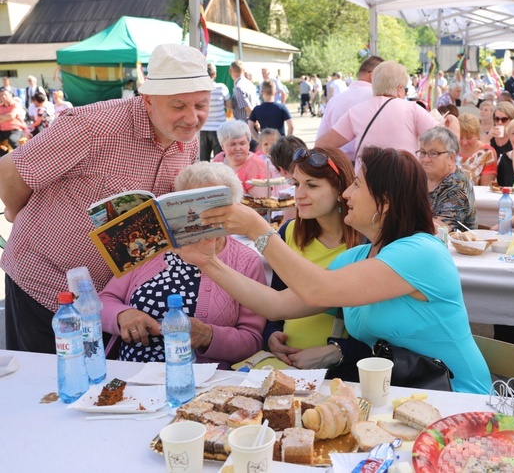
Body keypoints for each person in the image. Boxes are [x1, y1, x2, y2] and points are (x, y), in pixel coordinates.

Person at [180, 146, 492, 394]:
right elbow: (275, 304)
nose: (346, 194)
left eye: (356, 185)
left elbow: (318, 289)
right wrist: (208, 262)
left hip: (456, 396)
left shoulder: (421, 252)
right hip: (401, 395)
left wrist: (255, 228)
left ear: (384, 202)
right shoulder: (356, 258)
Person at [0, 43, 211, 354]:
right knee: (47, 390)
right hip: (45, 282)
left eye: (201, 105)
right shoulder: (93, 126)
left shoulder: (188, 143)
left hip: (112, 297)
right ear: (148, 100)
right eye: (179, 106)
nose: (193, 118)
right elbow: (9, 172)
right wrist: (18, 213)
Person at [99, 162, 267, 369]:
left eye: (211, 205)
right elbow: (104, 301)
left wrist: (209, 335)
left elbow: (252, 340)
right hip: (132, 373)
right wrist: (122, 315)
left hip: (202, 382)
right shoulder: (151, 245)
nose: (199, 214)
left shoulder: (246, 260)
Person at [263, 147, 371, 380]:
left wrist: (337, 352)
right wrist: (272, 335)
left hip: (342, 375)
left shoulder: (367, 242)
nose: (299, 194)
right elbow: (277, 300)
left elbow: (378, 333)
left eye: (312, 185)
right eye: (296, 184)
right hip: (285, 368)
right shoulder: (289, 232)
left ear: (340, 188)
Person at [316, 61, 438, 172]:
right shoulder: (412, 109)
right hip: (404, 181)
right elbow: (443, 140)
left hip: (366, 184)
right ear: (400, 88)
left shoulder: (356, 111)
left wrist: (345, 167)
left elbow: (322, 144)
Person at [316, 56, 384, 163]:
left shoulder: (334, 100)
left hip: (339, 166)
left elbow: (320, 142)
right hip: (371, 167)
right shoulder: (380, 99)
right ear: (373, 75)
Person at [417, 126, 476, 231]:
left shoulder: (457, 186)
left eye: (433, 153)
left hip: (448, 246)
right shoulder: (420, 178)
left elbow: (438, 229)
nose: (426, 159)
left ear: (451, 157)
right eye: (423, 152)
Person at [212, 120, 269, 196]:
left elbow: (259, 203)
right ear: (222, 146)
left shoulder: (257, 166)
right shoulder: (219, 159)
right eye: (232, 144)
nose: (238, 148)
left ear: (248, 144)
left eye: (242, 143)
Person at [200, 62, 231, 161]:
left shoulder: (200, 89)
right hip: (219, 128)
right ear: (214, 74)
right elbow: (230, 106)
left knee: (203, 161)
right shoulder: (221, 87)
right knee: (219, 161)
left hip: (203, 128)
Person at [456, 113, 496, 186]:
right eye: (461, 138)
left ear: (478, 134)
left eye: (469, 138)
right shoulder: (450, 150)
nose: (464, 142)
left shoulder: (487, 153)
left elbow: (485, 187)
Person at [0, 88, 29, 156]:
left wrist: (3, 117)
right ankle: (4, 156)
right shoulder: (0, 107)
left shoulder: (16, 105)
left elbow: (12, 116)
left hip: (16, 130)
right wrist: (7, 117)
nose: (3, 97)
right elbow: (10, 117)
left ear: (11, 95)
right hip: (3, 130)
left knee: (12, 140)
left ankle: (22, 156)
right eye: (1, 96)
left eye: (5, 95)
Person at [229, 60, 257, 124]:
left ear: (230, 71)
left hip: (244, 123)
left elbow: (247, 108)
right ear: (243, 71)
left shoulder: (238, 88)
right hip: (251, 121)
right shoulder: (250, 84)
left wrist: (255, 123)